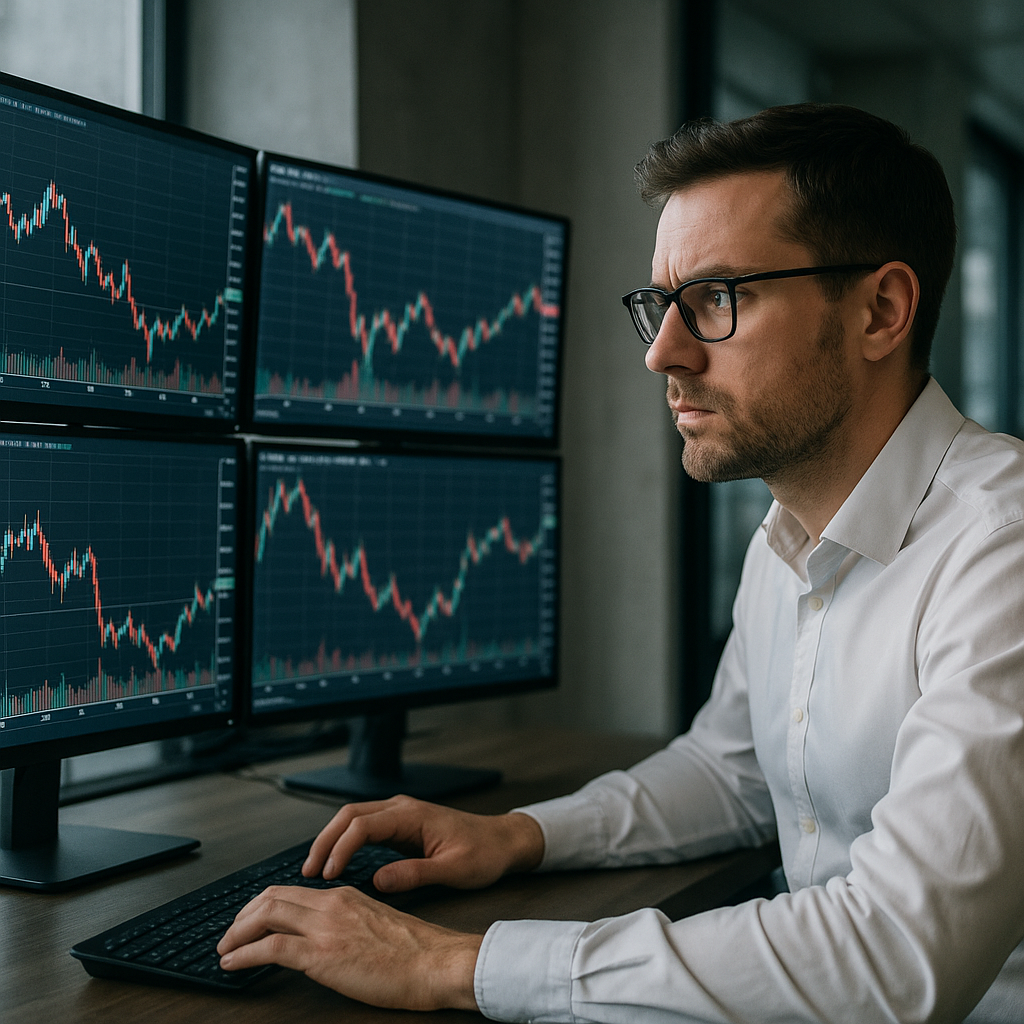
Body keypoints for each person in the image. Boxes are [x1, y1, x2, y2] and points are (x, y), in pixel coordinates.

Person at [217, 104, 1024, 1022]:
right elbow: (733, 775)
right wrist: (520, 836)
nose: (662, 353)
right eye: (660, 304)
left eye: (718, 298)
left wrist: (455, 966)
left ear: (881, 310)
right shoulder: (788, 538)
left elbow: (897, 959)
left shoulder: (1004, 552)